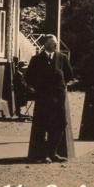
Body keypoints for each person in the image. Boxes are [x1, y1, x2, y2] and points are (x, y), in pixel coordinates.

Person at [25, 34, 74, 163]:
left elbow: (69, 74)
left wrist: (60, 86)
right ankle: (42, 155)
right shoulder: (36, 59)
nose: (55, 45)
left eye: (56, 42)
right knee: (42, 126)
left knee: (60, 124)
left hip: (58, 98)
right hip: (43, 99)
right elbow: (29, 77)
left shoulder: (62, 58)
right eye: (52, 43)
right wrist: (38, 88)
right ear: (45, 44)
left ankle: (53, 152)